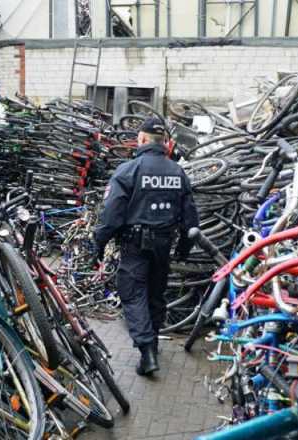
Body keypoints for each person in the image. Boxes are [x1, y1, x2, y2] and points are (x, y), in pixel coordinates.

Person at [93, 116, 199, 377]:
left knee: (133, 294)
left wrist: (98, 244)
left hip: (135, 245)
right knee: (156, 294)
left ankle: (146, 350)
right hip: (164, 244)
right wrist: (184, 248)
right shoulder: (178, 172)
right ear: (164, 142)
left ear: (141, 140)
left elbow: (111, 215)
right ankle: (152, 342)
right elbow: (190, 218)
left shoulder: (128, 170)